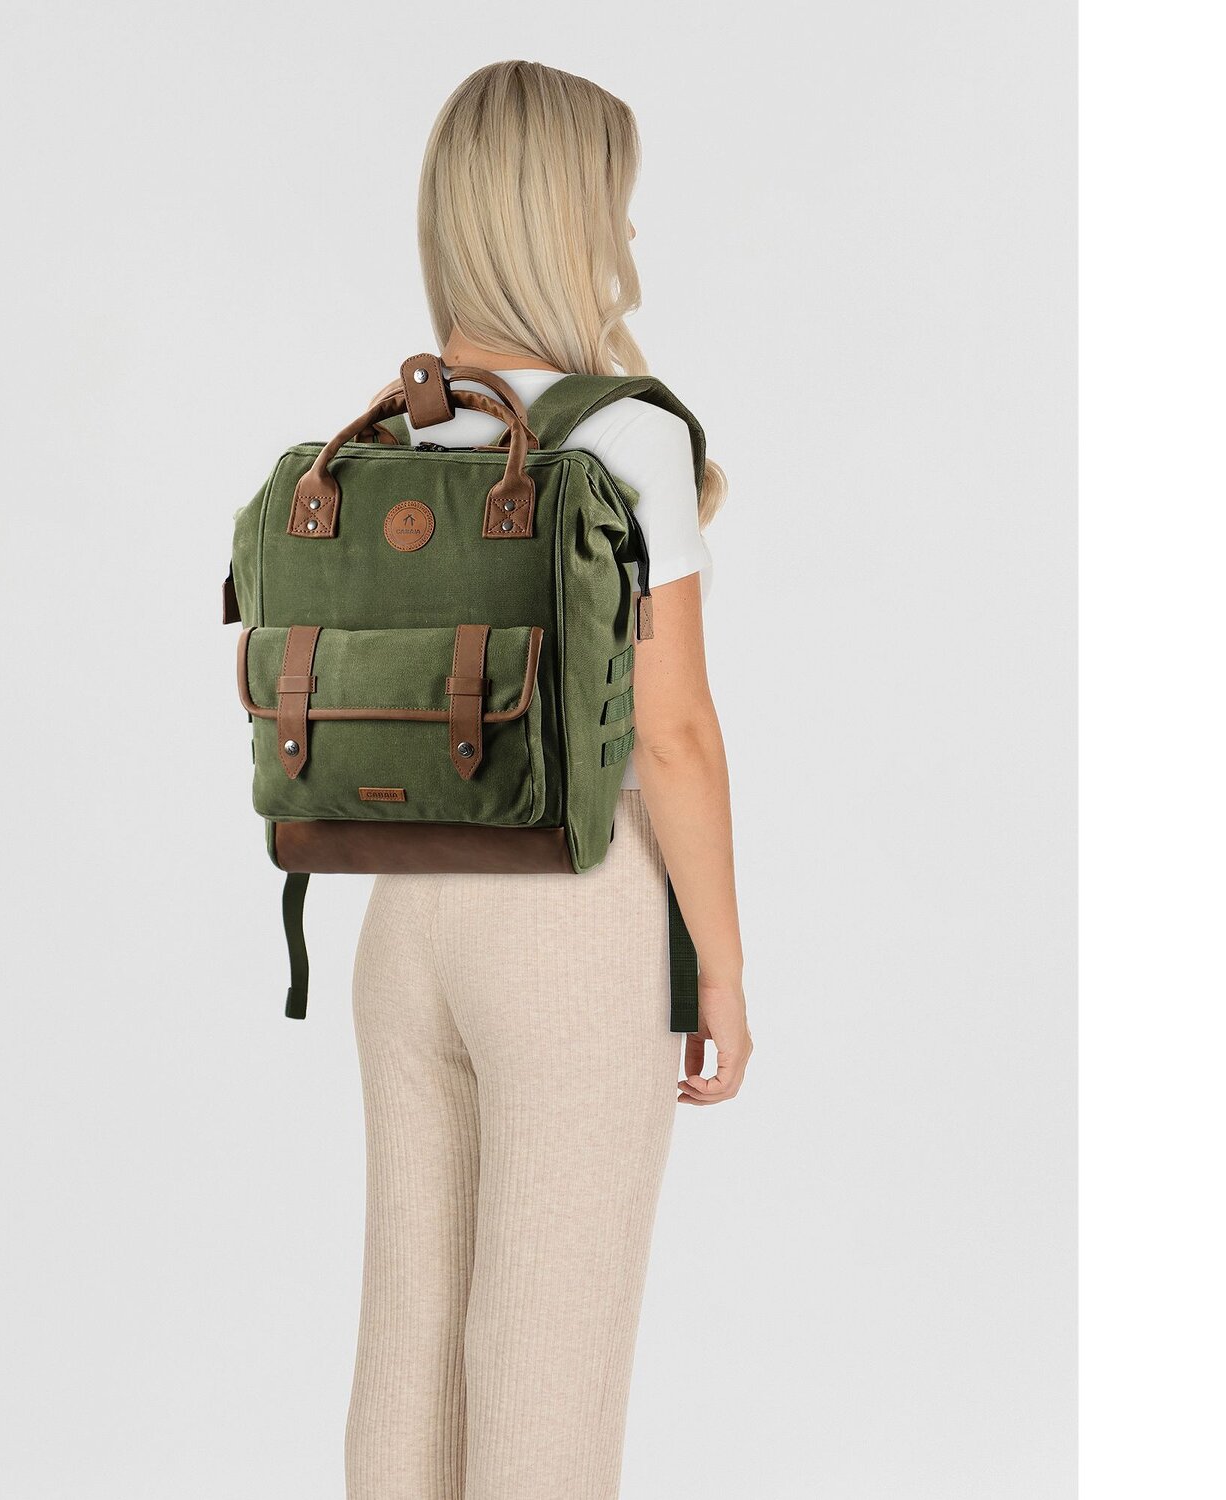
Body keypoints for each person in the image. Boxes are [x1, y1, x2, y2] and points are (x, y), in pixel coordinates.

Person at [345, 60, 750, 1500]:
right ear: (563, 218)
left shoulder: (391, 433)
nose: (626, 234)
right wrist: (720, 971)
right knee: (546, 1362)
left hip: (408, 918)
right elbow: (673, 735)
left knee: (412, 1344)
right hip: (573, 919)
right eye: (612, 202)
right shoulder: (627, 435)